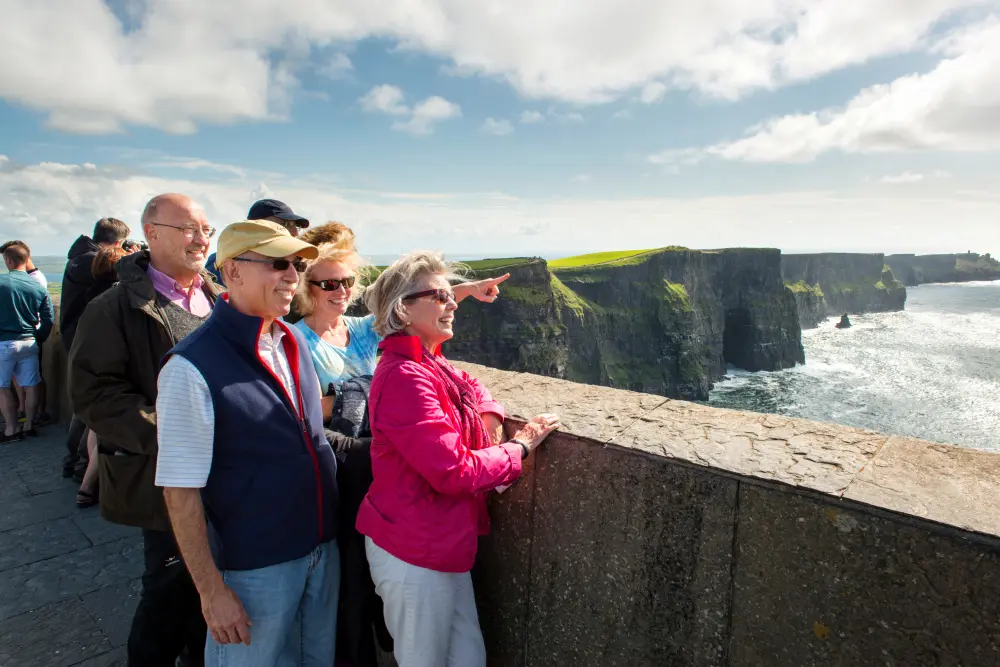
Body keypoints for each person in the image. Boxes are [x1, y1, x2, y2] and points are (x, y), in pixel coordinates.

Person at [292, 224, 510, 667]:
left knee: (446, 643)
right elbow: (301, 410)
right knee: (356, 593)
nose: (340, 290)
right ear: (305, 288)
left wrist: (456, 292)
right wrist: (517, 449)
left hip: (392, 472)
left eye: (347, 282)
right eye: (328, 283)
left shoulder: (365, 332)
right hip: (345, 472)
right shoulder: (294, 339)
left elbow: (406, 314)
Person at [358, 251, 560, 667]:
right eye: (440, 295)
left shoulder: (427, 361)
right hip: (413, 552)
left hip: (443, 543)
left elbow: (471, 385)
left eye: (452, 295)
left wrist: (489, 416)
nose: (453, 304)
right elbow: (455, 471)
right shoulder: (403, 376)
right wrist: (519, 446)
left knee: (468, 658)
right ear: (403, 307)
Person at [156, 220, 339, 667]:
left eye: (296, 264)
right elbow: (180, 492)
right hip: (255, 568)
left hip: (321, 550)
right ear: (233, 271)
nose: (293, 276)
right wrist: (212, 591)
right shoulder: (190, 367)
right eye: (278, 263)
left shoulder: (291, 338)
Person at [70, 194, 219, 667]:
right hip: (163, 477)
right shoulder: (113, 307)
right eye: (188, 229)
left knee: (210, 589)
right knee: (169, 587)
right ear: (151, 232)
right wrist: (174, 439)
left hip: (224, 475)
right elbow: (96, 395)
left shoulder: (220, 299)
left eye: (206, 230)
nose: (201, 239)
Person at [60, 217, 131, 479]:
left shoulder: (79, 258)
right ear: (119, 241)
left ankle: (75, 463)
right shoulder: (93, 262)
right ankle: (80, 465)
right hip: (89, 343)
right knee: (90, 406)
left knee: (84, 404)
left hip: (75, 338)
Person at [75, 245, 130, 509]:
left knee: (94, 430)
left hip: (96, 374)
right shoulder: (115, 297)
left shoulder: (93, 291)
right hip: (112, 375)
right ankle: (88, 485)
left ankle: (82, 474)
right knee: (106, 435)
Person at [0, 243, 54, 442]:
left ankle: (11, 430)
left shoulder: (1, 282)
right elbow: (48, 320)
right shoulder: (38, 286)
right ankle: (29, 426)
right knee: (31, 384)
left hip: (4, 342)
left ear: (8, 260)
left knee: (3, 386)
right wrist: (38, 339)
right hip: (30, 342)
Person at [206, 198, 309, 285]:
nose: (295, 232)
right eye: (285, 224)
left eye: (296, 226)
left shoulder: (298, 263)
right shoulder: (221, 261)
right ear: (255, 227)